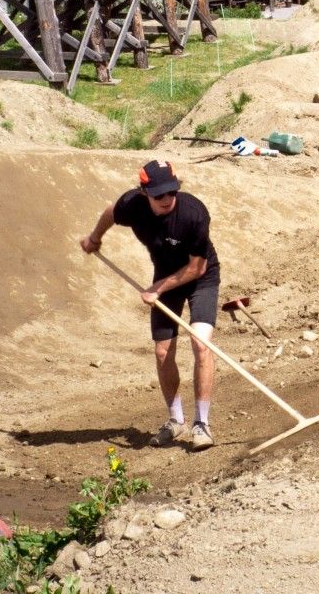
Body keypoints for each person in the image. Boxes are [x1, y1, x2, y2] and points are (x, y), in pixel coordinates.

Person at [81, 160, 219, 450]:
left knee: (201, 343)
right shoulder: (131, 205)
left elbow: (197, 268)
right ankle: (176, 421)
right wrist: (95, 239)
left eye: (172, 192)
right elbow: (110, 213)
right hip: (165, 277)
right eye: (159, 195)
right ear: (145, 193)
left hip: (200, 278)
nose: (167, 199)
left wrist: (157, 288)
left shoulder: (194, 214)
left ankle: (201, 424)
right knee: (161, 352)